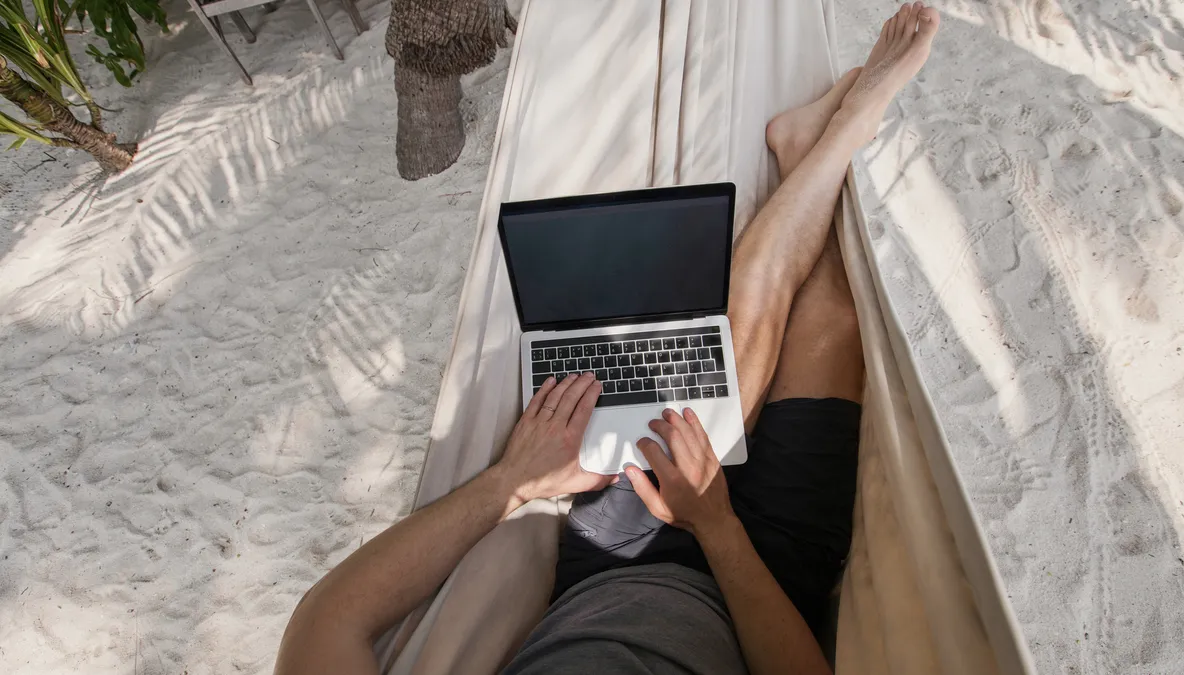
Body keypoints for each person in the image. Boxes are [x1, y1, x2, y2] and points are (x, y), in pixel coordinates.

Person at [275, 5, 939, 674]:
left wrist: (511, 480)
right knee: (833, 316)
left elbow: (329, 621)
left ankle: (833, 139)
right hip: (763, 587)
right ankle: (807, 150)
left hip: (616, 558)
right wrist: (716, 526)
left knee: (727, 352)